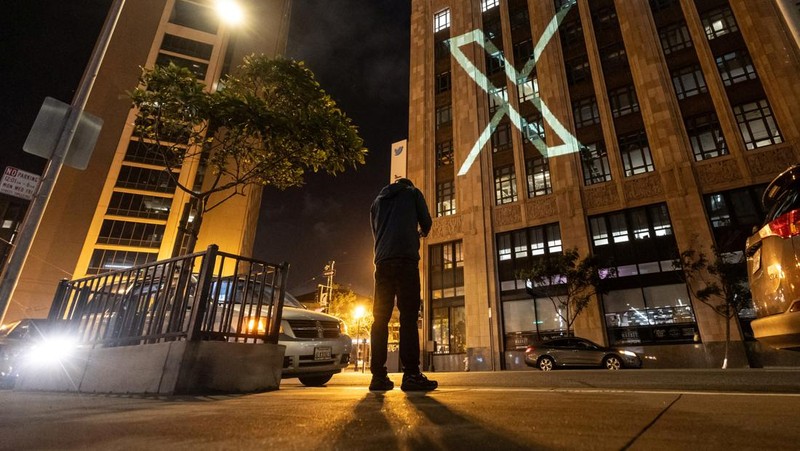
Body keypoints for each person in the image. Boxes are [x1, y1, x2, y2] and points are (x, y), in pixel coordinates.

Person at [368, 177, 437, 392]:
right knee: (408, 317)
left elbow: (375, 231)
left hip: (382, 263)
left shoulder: (377, 202)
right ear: (408, 184)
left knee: (380, 319)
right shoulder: (413, 193)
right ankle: (411, 375)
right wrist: (418, 233)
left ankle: (378, 377)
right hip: (406, 261)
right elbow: (426, 222)